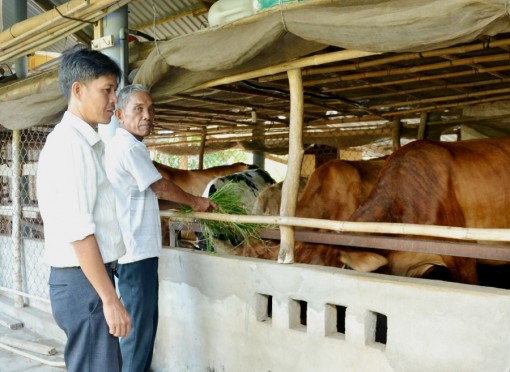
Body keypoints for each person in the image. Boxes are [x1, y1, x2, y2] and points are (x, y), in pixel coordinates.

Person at [104, 84, 216, 372]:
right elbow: (159, 186)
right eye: (138, 109)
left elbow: (145, 196)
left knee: (140, 327)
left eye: (151, 109)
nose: (147, 116)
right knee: (139, 332)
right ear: (119, 114)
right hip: (135, 253)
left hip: (131, 251)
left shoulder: (123, 146)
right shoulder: (129, 147)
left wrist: (183, 206)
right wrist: (195, 202)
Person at [36, 45, 131, 371]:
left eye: (115, 90)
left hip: (87, 279)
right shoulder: (70, 146)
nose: (113, 99)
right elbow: (79, 233)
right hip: (84, 282)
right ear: (78, 90)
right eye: (106, 90)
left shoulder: (84, 142)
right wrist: (109, 299)